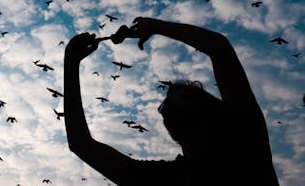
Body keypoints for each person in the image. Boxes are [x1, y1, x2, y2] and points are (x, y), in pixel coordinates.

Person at [64, 17, 279, 186]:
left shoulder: (245, 138)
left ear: (208, 109)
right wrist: (71, 63)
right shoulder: (168, 177)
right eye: (167, 104)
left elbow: (218, 47)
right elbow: (81, 145)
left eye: (173, 101)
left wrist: (156, 27)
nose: (164, 107)